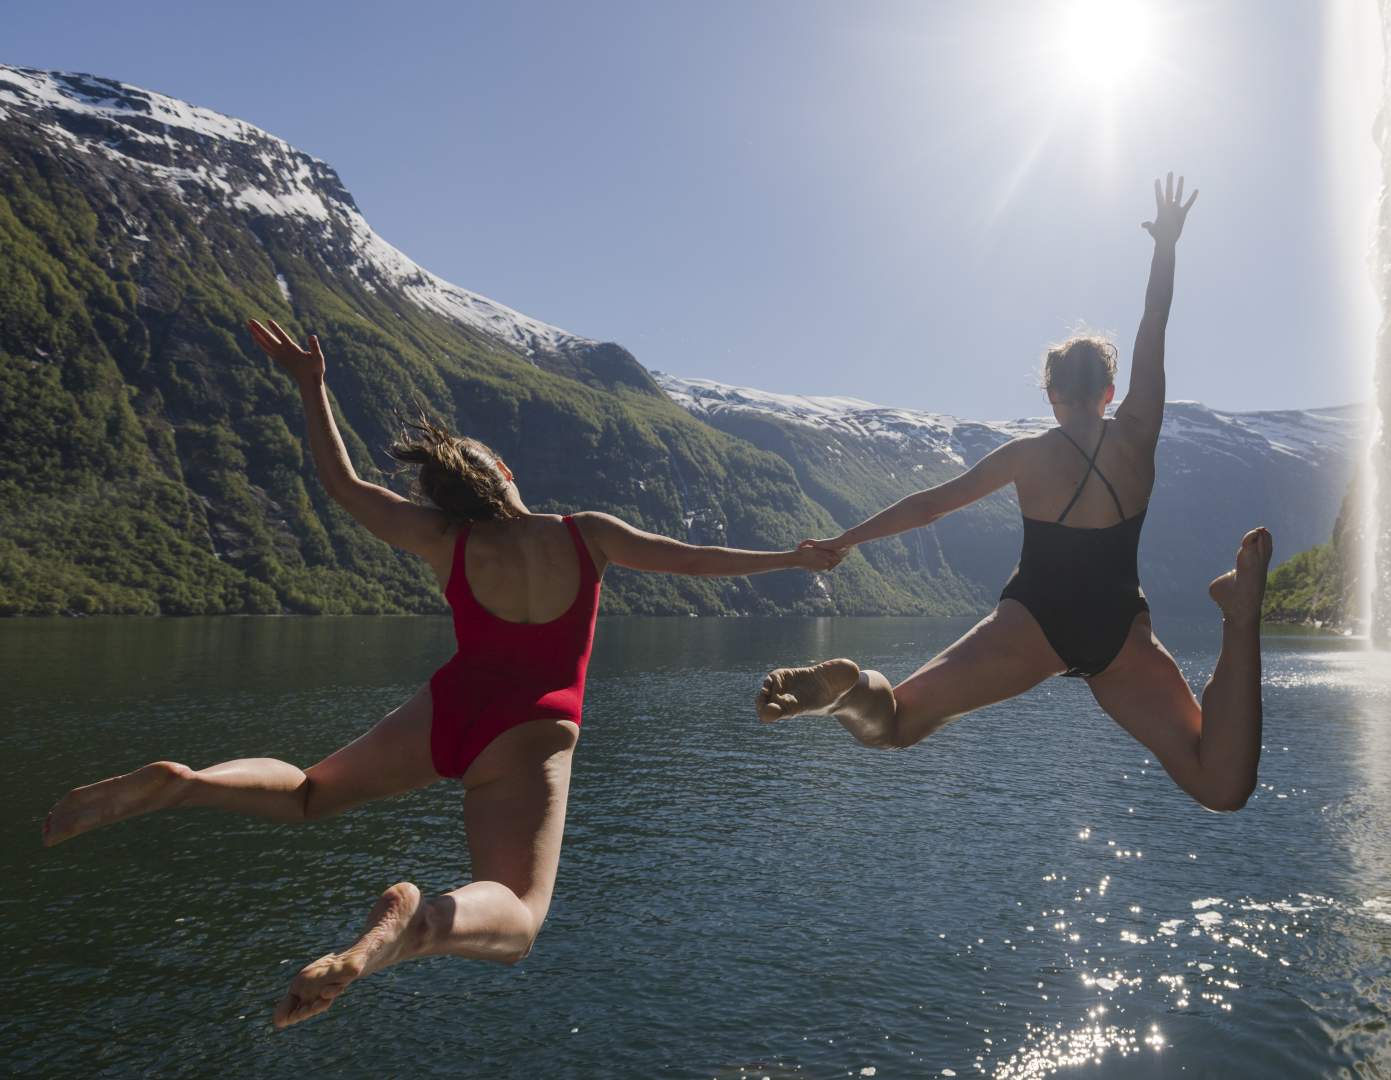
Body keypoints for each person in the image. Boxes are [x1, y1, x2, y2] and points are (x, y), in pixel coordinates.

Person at [40, 319, 841, 1028]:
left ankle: (185, 781)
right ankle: (416, 928)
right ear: (506, 477)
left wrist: (313, 389)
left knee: (311, 793)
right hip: (532, 728)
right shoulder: (585, 534)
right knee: (519, 917)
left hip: (449, 707)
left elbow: (344, 486)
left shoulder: (445, 540)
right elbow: (695, 560)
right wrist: (793, 557)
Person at [757, 174, 1274, 812]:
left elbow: (928, 507)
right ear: (1110, 392)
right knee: (1221, 787)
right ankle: (1238, 614)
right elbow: (1155, 324)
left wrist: (846, 540)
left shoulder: (1025, 457)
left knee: (894, 724)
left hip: (1030, 626)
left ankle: (846, 688)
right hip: (1117, 638)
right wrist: (1165, 246)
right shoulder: (1136, 439)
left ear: (1051, 394)